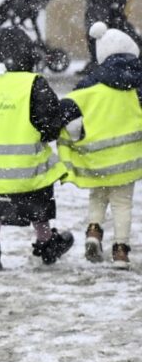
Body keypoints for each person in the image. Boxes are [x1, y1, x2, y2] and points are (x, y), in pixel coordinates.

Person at [0, 26, 75, 271]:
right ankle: (46, 242)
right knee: (40, 188)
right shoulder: (34, 83)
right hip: (26, 170)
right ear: (29, 55)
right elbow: (50, 127)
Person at [58, 22, 142, 268]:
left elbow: (69, 111)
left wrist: (75, 132)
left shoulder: (90, 84)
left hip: (95, 156)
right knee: (122, 203)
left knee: (97, 197)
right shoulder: (137, 85)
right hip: (127, 159)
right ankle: (121, 251)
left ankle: (93, 232)